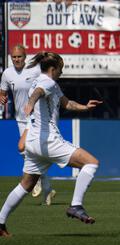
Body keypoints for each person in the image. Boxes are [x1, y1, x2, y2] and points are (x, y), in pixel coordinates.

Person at [0, 51, 102, 237]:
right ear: (53, 69)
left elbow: (67, 103)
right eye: (60, 69)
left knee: (26, 185)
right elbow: (38, 93)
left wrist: (84, 107)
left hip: (34, 142)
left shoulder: (46, 83)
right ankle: (76, 205)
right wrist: (30, 103)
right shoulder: (47, 82)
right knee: (91, 162)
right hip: (48, 141)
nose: (61, 73)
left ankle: (0, 222)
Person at [0, 44, 55, 203]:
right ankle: (48, 190)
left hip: (36, 116)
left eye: (20, 57)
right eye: (14, 57)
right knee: (28, 152)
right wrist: (2, 97)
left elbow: (48, 81)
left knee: (26, 149)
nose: (17, 60)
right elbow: (2, 91)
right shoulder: (7, 73)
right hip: (20, 118)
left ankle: (37, 182)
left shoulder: (35, 70)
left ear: (25, 57)